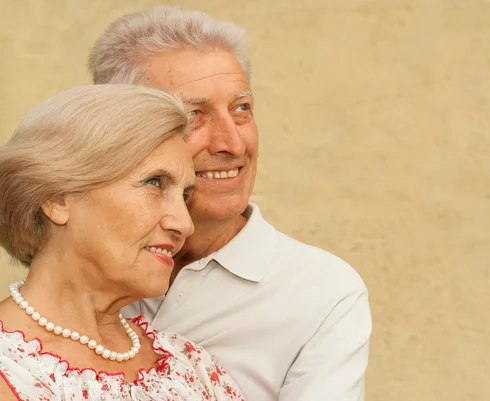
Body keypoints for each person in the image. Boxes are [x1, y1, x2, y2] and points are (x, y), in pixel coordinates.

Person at [89, 6, 372, 401]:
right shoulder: (82, 257)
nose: (233, 143)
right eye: (193, 115)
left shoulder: (322, 292)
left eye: (242, 109)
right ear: (119, 131)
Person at [0, 84, 246, 400]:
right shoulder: (12, 367)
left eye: (184, 196)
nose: (184, 224)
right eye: (155, 183)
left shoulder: (190, 364)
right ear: (57, 199)